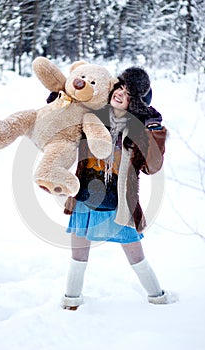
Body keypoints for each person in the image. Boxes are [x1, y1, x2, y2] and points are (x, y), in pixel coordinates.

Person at [49, 67, 177, 310]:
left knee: (136, 255)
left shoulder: (136, 132)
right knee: (78, 255)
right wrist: (59, 101)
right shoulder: (92, 116)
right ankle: (71, 301)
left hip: (119, 204)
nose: (120, 93)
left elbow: (152, 167)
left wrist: (155, 133)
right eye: (119, 87)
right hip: (85, 198)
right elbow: (63, 120)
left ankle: (157, 297)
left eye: (128, 93)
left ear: (136, 103)